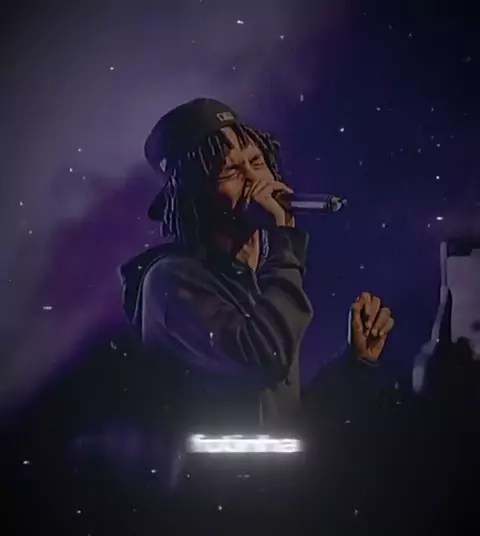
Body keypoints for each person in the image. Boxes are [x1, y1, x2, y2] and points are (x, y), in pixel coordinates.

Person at [119, 98, 395, 434]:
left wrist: (354, 365)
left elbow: (285, 420)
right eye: (231, 171)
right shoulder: (170, 281)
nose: (254, 180)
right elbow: (266, 358)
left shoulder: (260, 276)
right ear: (194, 194)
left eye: (256, 161)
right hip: (202, 471)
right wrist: (284, 243)